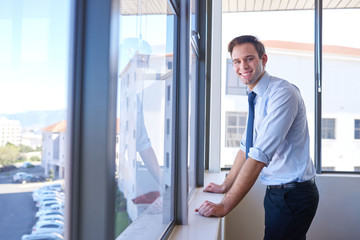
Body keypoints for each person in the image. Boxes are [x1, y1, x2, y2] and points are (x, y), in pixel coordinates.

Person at [195, 35, 319, 240]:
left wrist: (225, 206)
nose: (242, 65)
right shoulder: (257, 97)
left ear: (263, 59)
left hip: (293, 195)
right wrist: (225, 186)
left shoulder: (282, 94)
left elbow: (259, 156)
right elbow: (246, 147)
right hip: (277, 193)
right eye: (236, 61)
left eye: (249, 58)